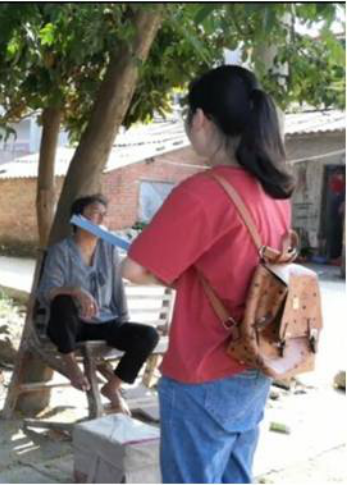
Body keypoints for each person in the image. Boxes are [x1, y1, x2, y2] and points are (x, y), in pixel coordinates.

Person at [121, 65, 294, 483]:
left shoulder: (203, 192)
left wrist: (177, 274)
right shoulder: (275, 192)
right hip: (255, 361)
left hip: (203, 370)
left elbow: (135, 269)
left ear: (200, 118)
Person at [37, 194, 159, 416]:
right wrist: (74, 290)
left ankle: (112, 387)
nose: (101, 219)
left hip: (104, 322)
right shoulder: (61, 251)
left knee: (148, 336)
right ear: (78, 218)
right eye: (95, 213)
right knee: (63, 301)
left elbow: (117, 287)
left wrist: (122, 322)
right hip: (72, 326)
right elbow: (47, 291)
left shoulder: (108, 250)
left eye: (104, 215)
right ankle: (70, 363)